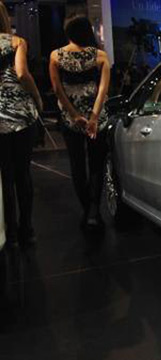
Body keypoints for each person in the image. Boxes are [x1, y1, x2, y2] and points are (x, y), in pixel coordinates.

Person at [49, 15, 111, 229]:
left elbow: (57, 89)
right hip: (97, 119)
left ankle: (87, 210)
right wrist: (93, 117)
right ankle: (94, 210)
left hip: (70, 118)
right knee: (96, 164)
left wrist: (74, 115)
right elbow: (103, 90)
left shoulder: (56, 56)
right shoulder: (100, 56)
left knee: (77, 165)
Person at [0, 1, 43, 247]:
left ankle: (11, 233)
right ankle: (27, 229)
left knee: (3, 177)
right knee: (22, 174)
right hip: (19, 117)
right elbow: (21, 73)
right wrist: (37, 98)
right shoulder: (17, 42)